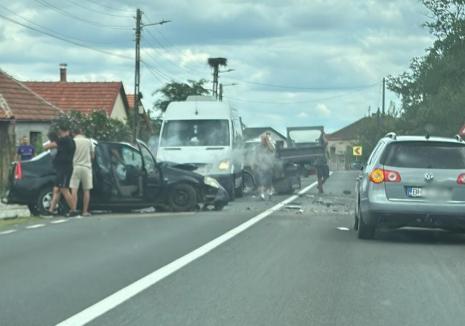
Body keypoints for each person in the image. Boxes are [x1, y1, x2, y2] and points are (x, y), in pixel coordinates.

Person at [46, 125, 76, 216]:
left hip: (64, 168)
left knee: (64, 189)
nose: (60, 134)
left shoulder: (65, 140)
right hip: (61, 168)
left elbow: (50, 145)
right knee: (56, 189)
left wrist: (47, 145)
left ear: (65, 131)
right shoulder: (70, 141)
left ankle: (73, 210)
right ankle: (51, 210)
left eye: (61, 132)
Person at [69, 128, 94, 216]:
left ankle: (73, 209)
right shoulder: (88, 141)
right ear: (82, 132)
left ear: (73, 133)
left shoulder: (73, 141)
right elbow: (92, 156)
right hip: (86, 167)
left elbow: (70, 154)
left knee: (74, 189)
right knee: (86, 190)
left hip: (76, 167)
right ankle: (85, 211)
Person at [43, 131, 61, 215]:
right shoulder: (55, 143)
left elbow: (45, 146)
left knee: (57, 189)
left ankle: (52, 208)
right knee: (58, 189)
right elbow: (45, 146)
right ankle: (53, 208)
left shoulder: (56, 143)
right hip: (56, 166)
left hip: (58, 167)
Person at [255, 134, 275, 200]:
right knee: (260, 181)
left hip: (269, 166)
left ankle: (269, 193)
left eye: (265, 139)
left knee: (269, 181)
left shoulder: (269, 145)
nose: (263, 141)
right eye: (262, 139)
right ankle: (262, 194)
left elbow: (272, 150)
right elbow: (256, 156)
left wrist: (268, 142)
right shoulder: (258, 147)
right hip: (261, 166)